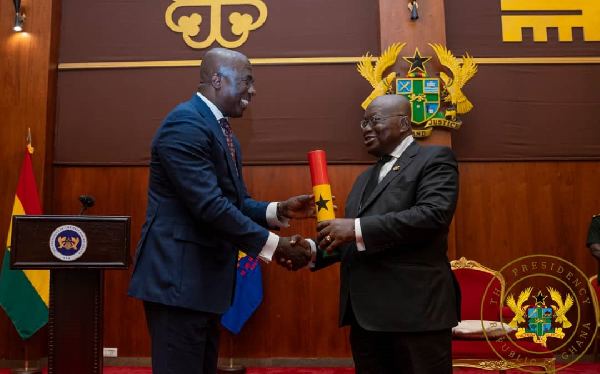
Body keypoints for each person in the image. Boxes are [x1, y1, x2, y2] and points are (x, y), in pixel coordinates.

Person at [127, 48, 312, 374]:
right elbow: (209, 207)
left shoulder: (220, 130)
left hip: (202, 284)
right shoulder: (184, 124)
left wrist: (277, 209)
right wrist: (274, 246)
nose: (253, 91)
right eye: (247, 81)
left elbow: (234, 202)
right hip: (178, 284)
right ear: (217, 79)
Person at [310, 94, 461, 374]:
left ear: (404, 123)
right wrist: (309, 252)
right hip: (366, 319)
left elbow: (432, 215)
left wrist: (354, 227)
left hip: (416, 315)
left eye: (375, 120)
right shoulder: (363, 179)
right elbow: (357, 241)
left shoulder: (434, 158)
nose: (366, 128)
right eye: (363, 122)